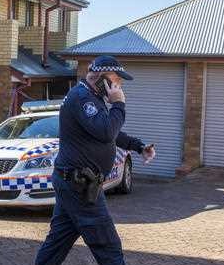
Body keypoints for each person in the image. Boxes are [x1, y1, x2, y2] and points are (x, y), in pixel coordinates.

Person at [35, 55, 156, 265]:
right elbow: (107, 130)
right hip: (80, 185)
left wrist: (138, 146)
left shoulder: (91, 96)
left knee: (57, 243)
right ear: (102, 78)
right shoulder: (82, 98)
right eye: (117, 79)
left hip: (74, 183)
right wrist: (119, 104)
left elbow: (109, 131)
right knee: (108, 246)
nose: (119, 85)